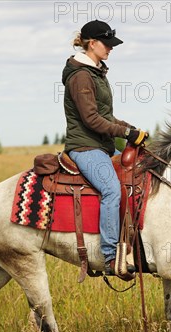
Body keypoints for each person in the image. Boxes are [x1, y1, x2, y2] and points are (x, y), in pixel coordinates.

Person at [62, 20, 147, 278]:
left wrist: (130, 128)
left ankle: (135, 244)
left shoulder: (97, 72)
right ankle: (109, 257)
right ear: (91, 43)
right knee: (112, 190)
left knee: (139, 176)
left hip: (102, 146)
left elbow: (105, 115)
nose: (110, 49)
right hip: (85, 148)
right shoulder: (80, 76)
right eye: (106, 44)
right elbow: (91, 119)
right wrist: (125, 133)